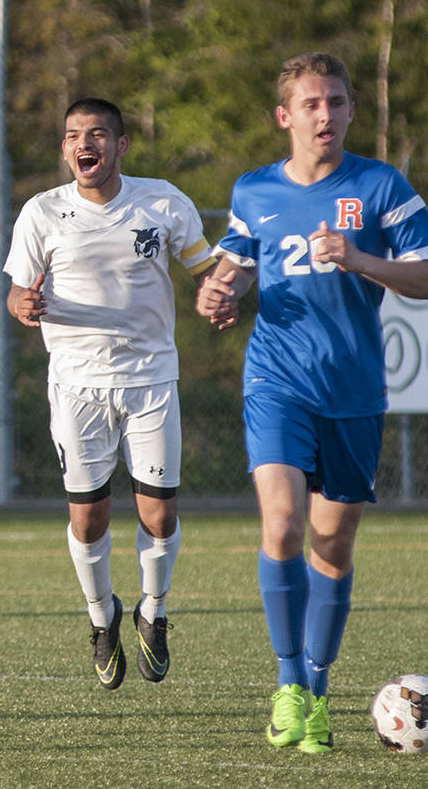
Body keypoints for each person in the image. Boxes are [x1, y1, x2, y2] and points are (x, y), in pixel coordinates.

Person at [195, 52, 428, 753]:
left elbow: (423, 275)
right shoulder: (255, 190)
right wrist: (220, 292)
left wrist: (361, 260)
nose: (324, 114)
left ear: (351, 110)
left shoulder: (380, 185)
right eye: (311, 104)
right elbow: (235, 263)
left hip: (354, 389)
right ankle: (290, 682)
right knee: (284, 520)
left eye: (335, 102)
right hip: (277, 379)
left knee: (332, 545)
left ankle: (319, 695)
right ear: (285, 116)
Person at [4, 98, 215, 690]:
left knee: (159, 510)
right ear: (65, 149)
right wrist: (23, 305)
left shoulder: (163, 201)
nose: (83, 144)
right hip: (76, 385)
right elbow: (18, 294)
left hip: (151, 379)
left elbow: (206, 269)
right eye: (73, 135)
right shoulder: (41, 213)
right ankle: (103, 620)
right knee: (89, 516)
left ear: (121, 146)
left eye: (97, 134)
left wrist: (215, 290)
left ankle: (154, 610)